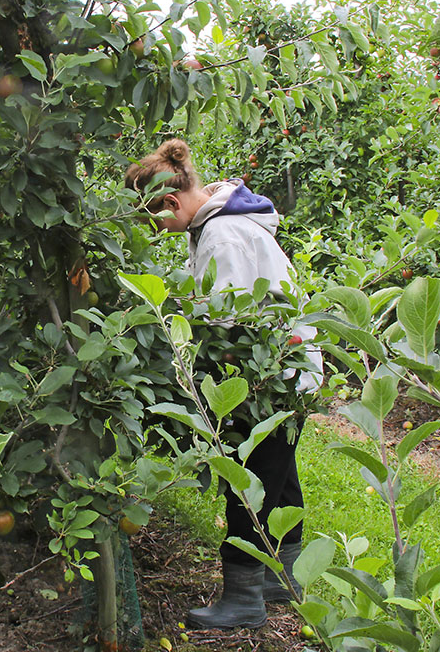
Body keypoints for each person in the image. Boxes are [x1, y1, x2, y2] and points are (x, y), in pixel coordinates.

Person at [124, 138, 320, 630]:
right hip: (285, 371)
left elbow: (229, 321)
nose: (161, 232)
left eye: (156, 220)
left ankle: (244, 596)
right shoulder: (219, 223)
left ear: (171, 201)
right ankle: (283, 579)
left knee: (249, 480)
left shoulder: (222, 236)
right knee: (279, 474)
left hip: (269, 375)